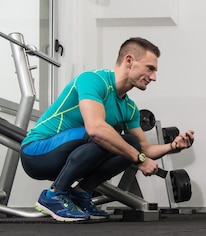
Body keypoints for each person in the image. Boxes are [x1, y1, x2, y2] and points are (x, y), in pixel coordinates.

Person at [20, 37, 195, 222]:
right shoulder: (93, 80)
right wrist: (140, 160)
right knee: (103, 134)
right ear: (129, 61)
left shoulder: (129, 108)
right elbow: (96, 129)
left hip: (69, 156)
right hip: (37, 153)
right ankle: (54, 195)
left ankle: (81, 193)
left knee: (131, 142)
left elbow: (142, 149)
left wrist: (173, 147)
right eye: (150, 68)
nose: (154, 77)